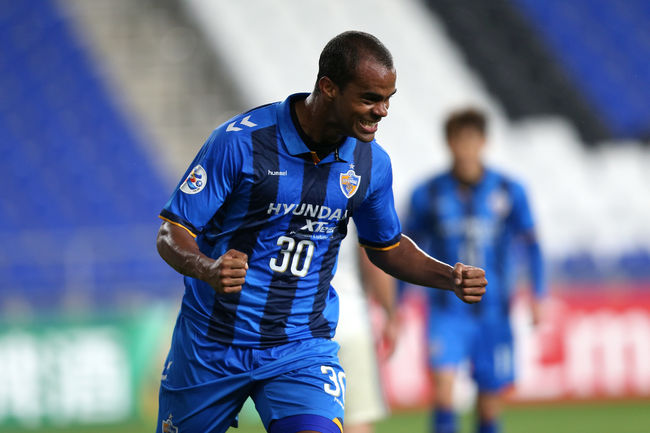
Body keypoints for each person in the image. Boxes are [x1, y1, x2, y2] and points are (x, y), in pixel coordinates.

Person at [155, 31, 487, 433]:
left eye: (388, 99)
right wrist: (207, 268)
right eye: (370, 98)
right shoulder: (240, 142)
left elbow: (387, 246)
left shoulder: (370, 163)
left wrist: (449, 276)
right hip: (212, 343)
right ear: (329, 88)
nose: (382, 111)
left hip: (301, 346)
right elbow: (172, 232)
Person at [404, 108, 545, 433]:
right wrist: (396, 304)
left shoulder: (509, 189)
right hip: (446, 311)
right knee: (443, 393)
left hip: (494, 311)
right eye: (458, 140)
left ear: (483, 142)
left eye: (471, 140)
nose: (465, 148)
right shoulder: (428, 193)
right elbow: (405, 250)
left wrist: (537, 294)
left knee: (489, 404)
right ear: (448, 143)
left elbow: (532, 245)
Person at [332, 226, 398, 433]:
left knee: (305, 419)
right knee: (356, 418)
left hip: (299, 323)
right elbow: (375, 260)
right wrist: (390, 314)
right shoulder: (355, 205)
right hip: (349, 319)